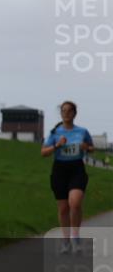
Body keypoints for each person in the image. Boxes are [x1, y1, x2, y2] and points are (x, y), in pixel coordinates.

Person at [41, 101, 94, 254]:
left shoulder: (82, 131)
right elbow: (43, 153)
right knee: (63, 208)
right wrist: (57, 145)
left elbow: (91, 148)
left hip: (77, 168)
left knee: (75, 203)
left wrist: (87, 148)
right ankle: (66, 241)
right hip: (59, 170)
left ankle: (75, 237)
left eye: (69, 111)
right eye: (63, 111)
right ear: (61, 113)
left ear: (74, 113)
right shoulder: (55, 132)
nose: (66, 113)